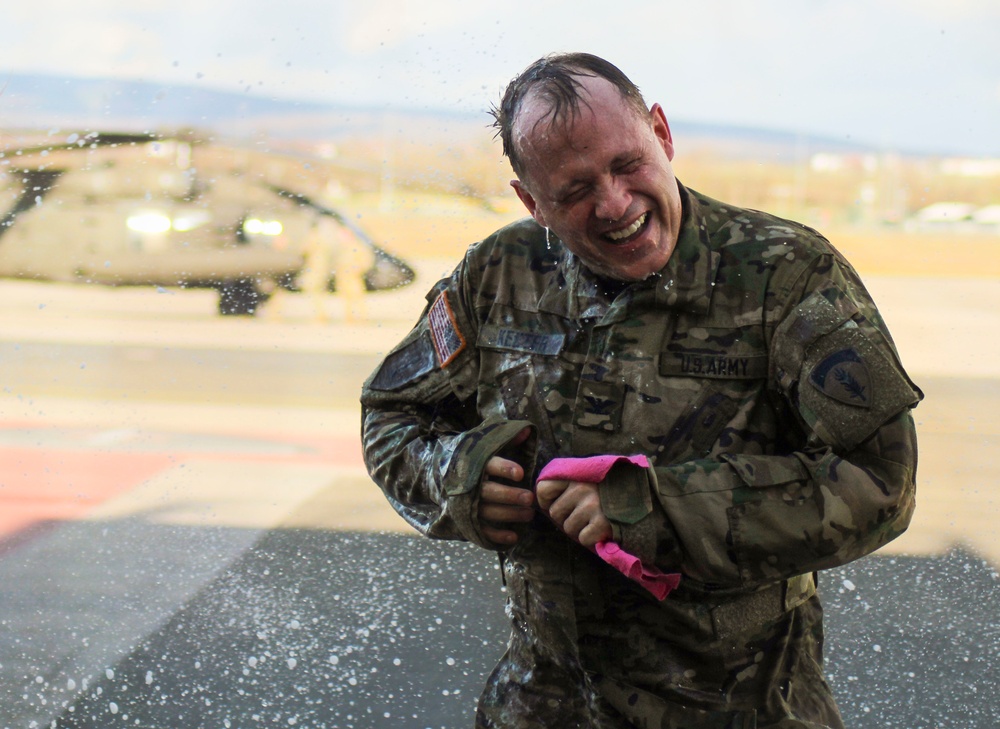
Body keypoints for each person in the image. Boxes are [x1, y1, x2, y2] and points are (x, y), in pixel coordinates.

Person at [360, 53, 922, 729]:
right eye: (573, 191)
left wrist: (654, 508)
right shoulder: (499, 275)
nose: (614, 204)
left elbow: (880, 480)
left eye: (627, 165)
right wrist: (461, 479)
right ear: (530, 201)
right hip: (543, 706)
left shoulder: (787, 273)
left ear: (661, 132)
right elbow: (393, 415)